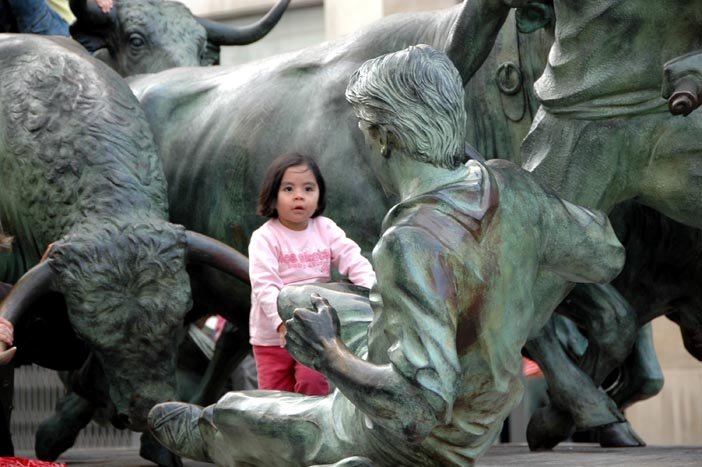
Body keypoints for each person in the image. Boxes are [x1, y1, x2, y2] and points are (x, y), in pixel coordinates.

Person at [147, 45, 624, 466]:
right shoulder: (510, 185)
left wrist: (328, 354)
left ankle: (216, 427)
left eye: (363, 130)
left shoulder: (409, 243)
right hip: (484, 394)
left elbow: (418, 408)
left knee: (250, 416)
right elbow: (605, 256)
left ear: (381, 136)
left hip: (425, 440)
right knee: (297, 299)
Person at [248, 152, 375, 395]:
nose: (299, 196)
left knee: (314, 384)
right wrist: (280, 323)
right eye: (288, 189)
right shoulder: (265, 237)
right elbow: (265, 285)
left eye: (308, 189)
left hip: (315, 332)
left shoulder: (325, 229)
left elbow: (353, 260)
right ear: (273, 195)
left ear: (319, 196)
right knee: (275, 397)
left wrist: (374, 292)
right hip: (273, 336)